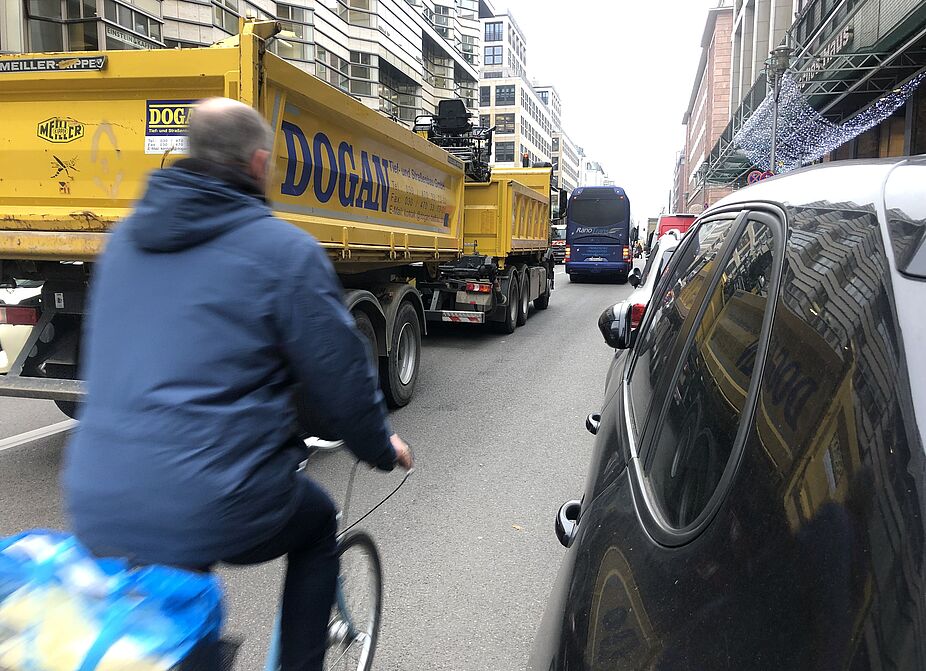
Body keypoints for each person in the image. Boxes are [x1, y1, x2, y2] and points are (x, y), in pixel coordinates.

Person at [62, 97, 413, 671]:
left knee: (174, 598)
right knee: (316, 523)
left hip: (97, 492)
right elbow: (339, 373)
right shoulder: (283, 250)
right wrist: (379, 445)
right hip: (213, 497)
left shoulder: (123, 242)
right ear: (258, 164)